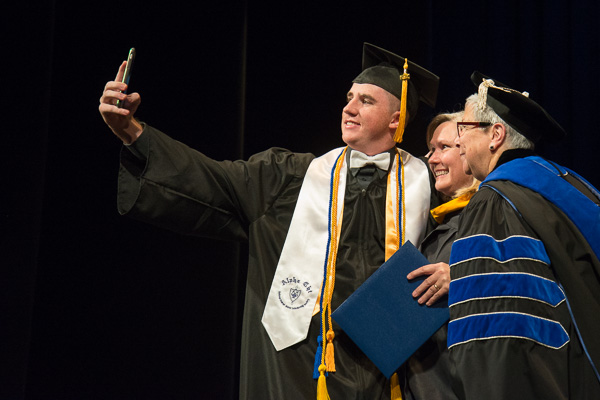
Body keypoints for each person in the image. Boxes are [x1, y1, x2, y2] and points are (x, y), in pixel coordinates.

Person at [99, 43, 442, 399]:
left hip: (387, 374)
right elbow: (210, 179)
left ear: (396, 120)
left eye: (366, 101)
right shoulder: (288, 179)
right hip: (297, 371)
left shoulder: (429, 191)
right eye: (349, 97)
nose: (348, 108)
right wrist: (132, 132)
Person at [448, 71, 600, 399]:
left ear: (496, 134)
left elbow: (501, 337)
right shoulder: (575, 186)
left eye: (464, 128)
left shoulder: (496, 202)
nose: (458, 140)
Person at [398, 111, 478, 400]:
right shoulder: (435, 222)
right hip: (422, 383)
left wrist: (460, 277)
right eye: (431, 149)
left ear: (471, 150)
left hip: (460, 385)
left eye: (444, 147)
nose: (431, 159)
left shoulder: (491, 216)